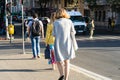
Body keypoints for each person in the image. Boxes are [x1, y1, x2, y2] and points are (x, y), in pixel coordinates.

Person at [53, 8, 77, 80]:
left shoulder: (55, 23)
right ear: (65, 13)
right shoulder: (69, 21)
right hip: (68, 43)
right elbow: (73, 32)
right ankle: (66, 78)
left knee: (58, 61)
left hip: (58, 44)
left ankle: (61, 75)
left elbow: (53, 34)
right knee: (67, 62)